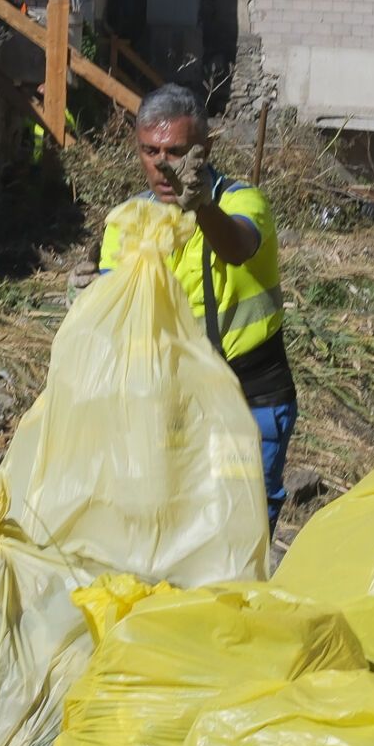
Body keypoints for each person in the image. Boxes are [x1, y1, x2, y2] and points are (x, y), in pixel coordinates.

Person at [90, 84, 297, 533]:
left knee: (238, 524)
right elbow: (115, 312)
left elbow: (237, 245)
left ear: (205, 149)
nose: (163, 165)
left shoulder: (241, 203)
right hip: (171, 402)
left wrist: (202, 206)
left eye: (177, 151)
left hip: (246, 399)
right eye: (150, 150)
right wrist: (87, 299)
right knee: (175, 525)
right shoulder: (127, 222)